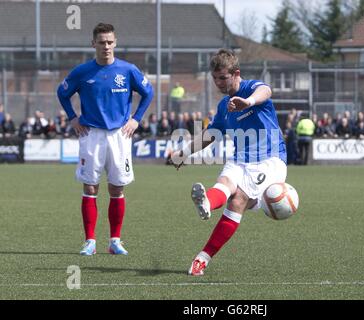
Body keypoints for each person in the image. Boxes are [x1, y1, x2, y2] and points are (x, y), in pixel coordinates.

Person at [169, 49, 287, 276]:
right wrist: (184, 153)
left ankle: (202, 259)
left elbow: (266, 90)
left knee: (238, 200)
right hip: (240, 158)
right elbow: (210, 134)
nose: (218, 83)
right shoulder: (224, 107)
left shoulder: (250, 89)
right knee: (224, 183)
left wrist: (248, 102)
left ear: (236, 74)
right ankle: (206, 204)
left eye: (222, 77)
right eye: (215, 78)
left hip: (269, 159)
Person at [57, 23, 153, 256]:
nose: (106, 46)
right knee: (90, 186)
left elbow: (148, 92)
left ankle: (115, 241)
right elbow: (62, 92)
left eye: (110, 42)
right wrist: (72, 118)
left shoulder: (128, 70)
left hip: (120, 135)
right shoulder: (82, 72)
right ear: (93, 44)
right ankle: (90, 241)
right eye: (101, 42)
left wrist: (136, 119)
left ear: (115, 43)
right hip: (91, 135)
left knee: (116, 187)